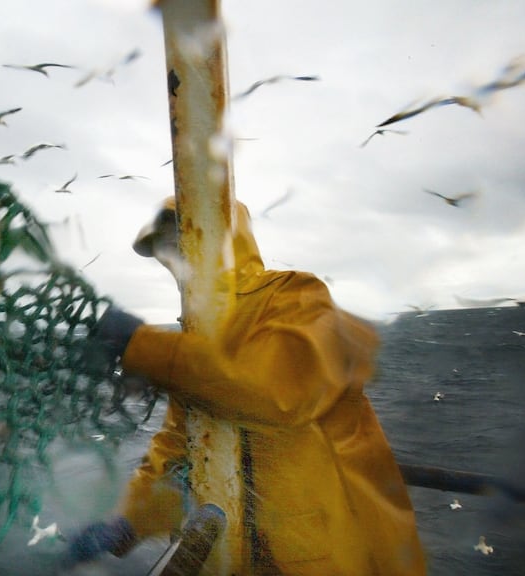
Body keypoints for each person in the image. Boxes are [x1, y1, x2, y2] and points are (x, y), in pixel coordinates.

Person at [64, 197, 427, 575]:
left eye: (183, 241)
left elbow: (279, 391)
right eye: (165, 250)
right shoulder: (196, 339)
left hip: (334, 555)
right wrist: (126, 525)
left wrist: (138, 343)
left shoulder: (297, 297)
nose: (173, 259)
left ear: (225, 237)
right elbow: (179, 448)